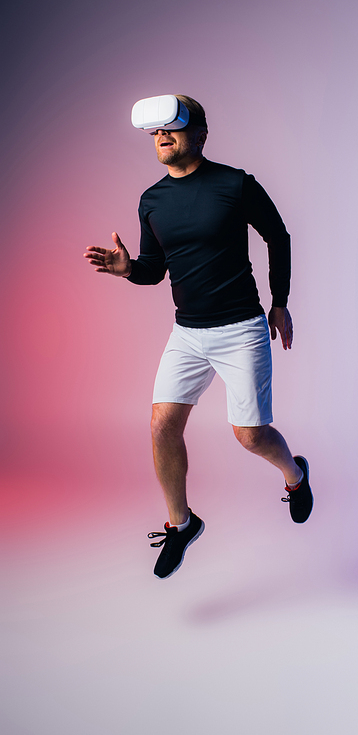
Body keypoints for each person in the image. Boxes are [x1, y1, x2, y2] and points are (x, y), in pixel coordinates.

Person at [84, 95, 313, 579]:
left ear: (201, 135)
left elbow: (278, 235)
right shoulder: (152, 200)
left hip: (240, 330)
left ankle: (295, 474)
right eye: (156, 133)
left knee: (249, 436)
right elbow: (153, 271)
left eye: (174, 129)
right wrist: (129, 270)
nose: (163, 138)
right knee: (161, 424)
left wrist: (279, 302)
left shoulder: (235, 184)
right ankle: (181, 523)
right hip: (187, 333)